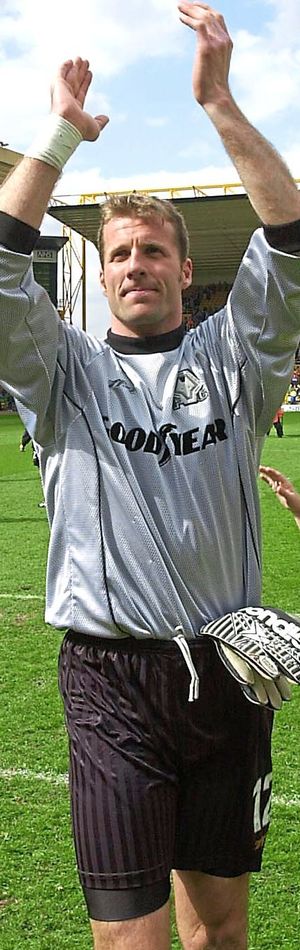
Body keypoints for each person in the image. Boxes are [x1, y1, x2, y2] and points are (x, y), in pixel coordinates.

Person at [0, 3, 300, 948]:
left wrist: (217, 102)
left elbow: (290, 239)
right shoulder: (62, 372)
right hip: (111, 680)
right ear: (104, 263)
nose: (136, 265)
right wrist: (58, 136)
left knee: (221, 931)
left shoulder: (236, 361)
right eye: (120, 251)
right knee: (131, 941)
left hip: (226, 673)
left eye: (154, 251)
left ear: (183, 270)